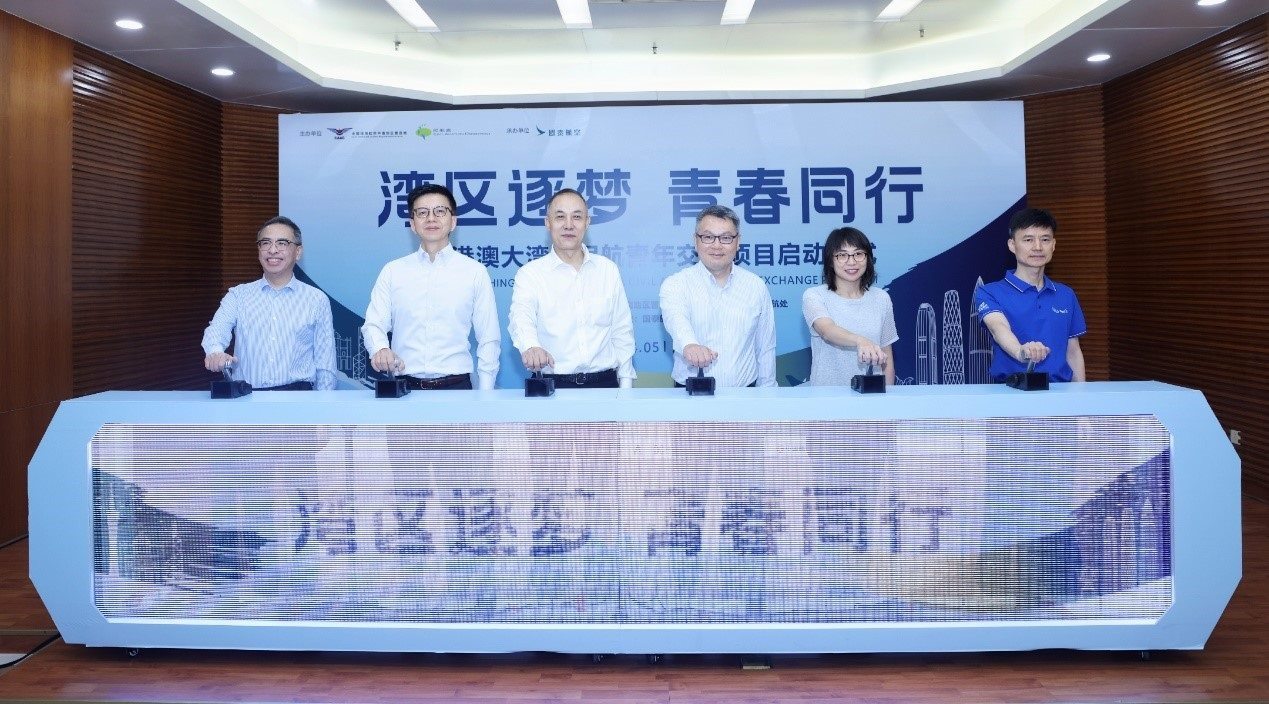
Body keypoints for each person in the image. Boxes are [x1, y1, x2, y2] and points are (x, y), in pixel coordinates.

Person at [362, 183, 500, 390]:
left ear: (453, 221)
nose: (431, 218)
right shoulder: (393, 271)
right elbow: (374, 323)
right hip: (404, 388)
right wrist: (380, 348)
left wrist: (486, 393)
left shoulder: (474, 272)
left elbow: (489, 338)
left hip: (456, 389)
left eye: (440, 211)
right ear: (412, 224)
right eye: (422, 212)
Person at [508, 188, 635, 389]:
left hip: (605, 385)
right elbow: (521, 318)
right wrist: (531, 346)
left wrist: (625, 385)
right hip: (552, 386)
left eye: (577, 217)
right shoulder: (530, 274)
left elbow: (622, 331)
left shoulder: (607, 270)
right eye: (560, 217)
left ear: (587, 222)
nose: (569, 225)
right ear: (548, 223)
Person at [202, 216, 336, 390]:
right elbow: (216, 331)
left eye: (282, 243)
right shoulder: (238, 296)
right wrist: (215, 352)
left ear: (298, 252)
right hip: (247, 396)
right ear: (259, 250)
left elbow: (325, 363)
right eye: (265, 243)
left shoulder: (316, 299)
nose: (272, 250)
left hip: (299, 397)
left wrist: (325, 402)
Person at [659, 204, 776, 388]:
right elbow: (676, 320)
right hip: (691, 394)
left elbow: (765, 347)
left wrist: (768, 393)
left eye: (726, 238)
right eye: (708, 237)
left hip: (746, 394)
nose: (716, 245)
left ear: (738, 242)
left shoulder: (756, 286)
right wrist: (690, 345)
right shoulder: (676, 284)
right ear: (695, 240)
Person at [974, 207, 1086, 382]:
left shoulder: (1066, 294)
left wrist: (1081, 393)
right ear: (1012, 245)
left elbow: (1073, 352)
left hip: (1060, 391)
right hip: (1010, 391)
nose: (1038, 247)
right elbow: (999, 329)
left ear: (1053, 245)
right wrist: (1021, 352)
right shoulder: (990, 292)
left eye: (1045, 239)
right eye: (1028, 240)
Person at [802, 227, 898, 386]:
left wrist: (888, 396)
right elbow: (827, 331)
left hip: (872, 397)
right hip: (827, 397)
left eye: (858, 254)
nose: (852, 262)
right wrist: (861, 341)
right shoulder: (814, 296)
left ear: (868, 258)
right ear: (830, 261)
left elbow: (887, 357)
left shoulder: (882, 298)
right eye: (842, 255)